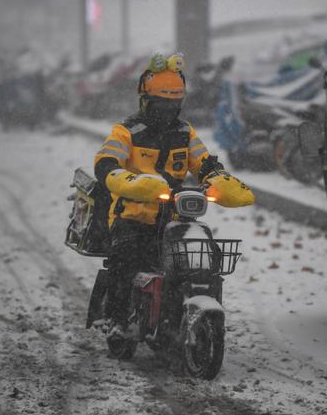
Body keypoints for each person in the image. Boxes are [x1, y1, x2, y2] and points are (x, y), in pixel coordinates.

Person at [93, 53, 254, 337]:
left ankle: (181, 310)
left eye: (174, 104)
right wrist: (128, 180)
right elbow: (105, 163)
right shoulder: (126, 132)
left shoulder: (184, 133)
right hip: (131, 217)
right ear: (146, 100)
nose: (168, 111)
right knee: (125, 260)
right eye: (162, 104)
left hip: (173, 217)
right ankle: (116, 319)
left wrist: (218, 179)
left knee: (204, 257)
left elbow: (204, 162)